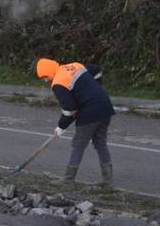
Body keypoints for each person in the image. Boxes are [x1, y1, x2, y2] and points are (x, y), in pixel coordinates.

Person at [35, 58, 115, 186]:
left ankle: (68, 180)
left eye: (45, 77)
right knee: (100, 144)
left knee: (78, 145)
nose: (46, 80)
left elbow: (69, 110)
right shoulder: (75, 66)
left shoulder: (58, 83)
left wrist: (61, 127)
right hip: (105, 107)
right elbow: (93, 75)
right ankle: (108, 181)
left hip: (90, 112)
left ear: (49, 71)